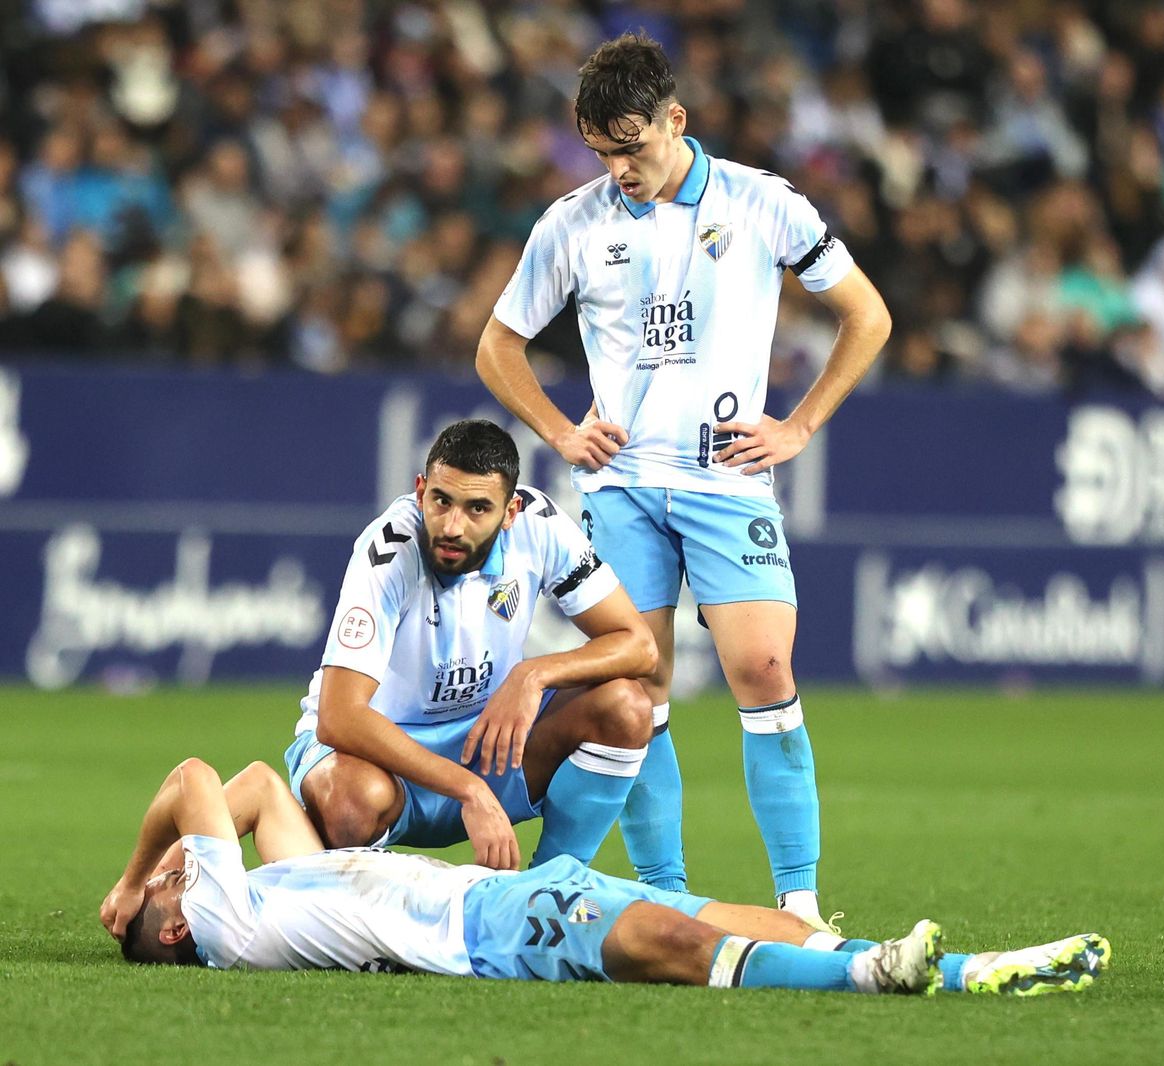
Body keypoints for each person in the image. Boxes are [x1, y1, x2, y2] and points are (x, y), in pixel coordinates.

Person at [475, 32, 894, 928]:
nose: (618, 170)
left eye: (630, 147)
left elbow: (868, 315)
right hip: (621, 487)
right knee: (640, 690)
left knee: (765, 667)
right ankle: (665, 893)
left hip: (726, 480)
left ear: (676, 119)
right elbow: (497, 347)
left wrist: (798, 425)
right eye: (601, 153)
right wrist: (560, 431)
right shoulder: (572, 224)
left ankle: (801, 904)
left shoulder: (761, 202)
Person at [101, 757, 1112, 997]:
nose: (187, 867)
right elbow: (193, 780)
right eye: (172, 891)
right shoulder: (227, 924)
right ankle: (873, 975)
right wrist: (133, 877)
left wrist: (164, 873)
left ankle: (962, 969)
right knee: (676, 945)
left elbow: (253, 783)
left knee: (726, 914)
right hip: (486, 934)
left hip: (505, 897)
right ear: (180, 927)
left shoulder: (276, 892)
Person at [284, 417, 657, 871]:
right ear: (420, 491)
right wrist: (467, 788)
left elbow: (639, 646)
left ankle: (551, 885)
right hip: (379, 755)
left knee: (626, 706)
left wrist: (532, 675)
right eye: (441, 501)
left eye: (478, 508)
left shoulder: (539, 525)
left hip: (488, 740)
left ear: (511, 512)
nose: (452, 527)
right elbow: (339, 718)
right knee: (349, 801)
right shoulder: (388, 551)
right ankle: (365, 910)